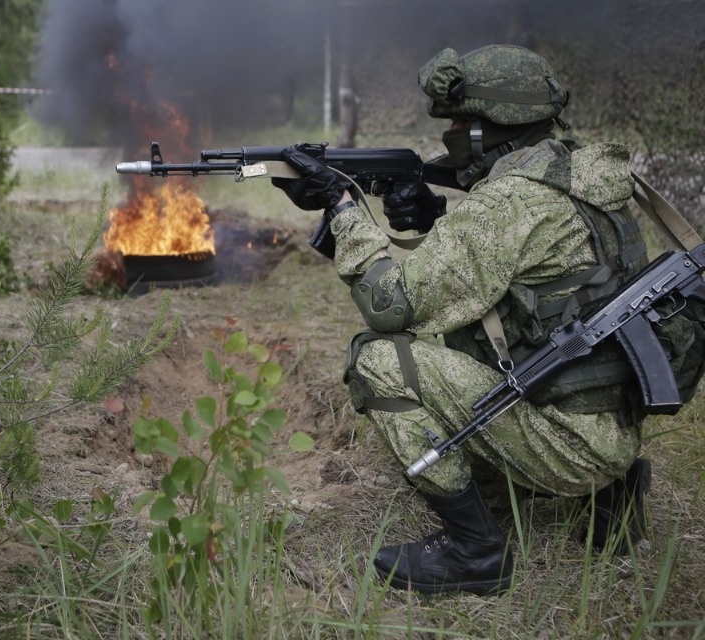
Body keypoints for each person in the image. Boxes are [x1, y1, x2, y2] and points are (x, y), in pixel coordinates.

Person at [271, 44, 662, 596]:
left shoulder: (512, 201)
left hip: (568, 443)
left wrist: (341, 207)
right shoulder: (584, 176)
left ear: (489, 125)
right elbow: (527, 275)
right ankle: (610, 501)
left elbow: (393, 306)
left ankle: (475, 553)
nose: (451, 131)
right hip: (609, 425)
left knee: (379, 360)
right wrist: (435, 217)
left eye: (458, 120)